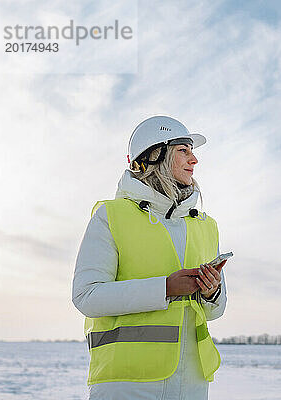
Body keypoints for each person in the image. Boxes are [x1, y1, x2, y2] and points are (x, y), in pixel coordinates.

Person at [72, 115, 228, 400]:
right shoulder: (112, 216)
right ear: (154, 156)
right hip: (126, 384)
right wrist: (165, 288)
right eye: (184, 150)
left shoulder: (207, 225)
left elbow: (216, 311)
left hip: (193, 384)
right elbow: (86, 296)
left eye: (193, 152)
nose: (194, 161)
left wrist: (211, 291)